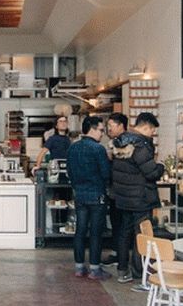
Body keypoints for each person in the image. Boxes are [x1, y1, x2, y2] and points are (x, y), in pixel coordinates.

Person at [110, 112, 164, 284]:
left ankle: (122, 270)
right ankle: (139, 272)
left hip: (124, 198)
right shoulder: (140, 146)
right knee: (142, 236)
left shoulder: (120, 142)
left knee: (124, 234)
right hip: (140, 198)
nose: (152, 134)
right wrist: (161, 167)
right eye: (152, 130)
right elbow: (151, 172)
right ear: (146, 126)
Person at [66, 116, 111, 280]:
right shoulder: (98, 149)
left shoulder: (73, 148)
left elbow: (69, 172)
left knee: (80, 230)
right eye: (100, 130)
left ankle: (79, 267)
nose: (102, 134)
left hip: (80, 195)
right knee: (96, 232)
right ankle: (94, 269)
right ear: (91, 129)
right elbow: (106, 173)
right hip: (97, 195)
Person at [101, 112, 128, 267]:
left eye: (111, 125)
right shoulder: (115, 141)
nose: (108, 128)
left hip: (122, 191)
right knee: (117, 223)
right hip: (116, 190)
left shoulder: (124, 142)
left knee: (120, 224)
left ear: (120, 126)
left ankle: (120, 258)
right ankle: (117, 253)